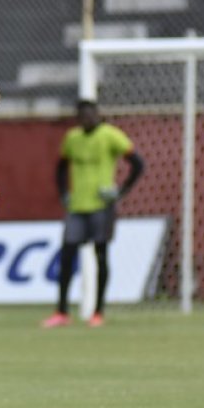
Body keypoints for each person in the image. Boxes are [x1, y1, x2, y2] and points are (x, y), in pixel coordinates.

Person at [43, 99, 145, 328]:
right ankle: (61, 311)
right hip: (77, 207)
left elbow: (138, 163)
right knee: (67, 258)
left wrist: (120, 191)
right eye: (82, 116)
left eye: (90, 114)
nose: (87, 119)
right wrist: (63, 194)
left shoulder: (111, 135)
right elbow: (60, 167)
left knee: (101, 256)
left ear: (98, 115)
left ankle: (98, 312)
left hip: (101, 207)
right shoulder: (72, 138)